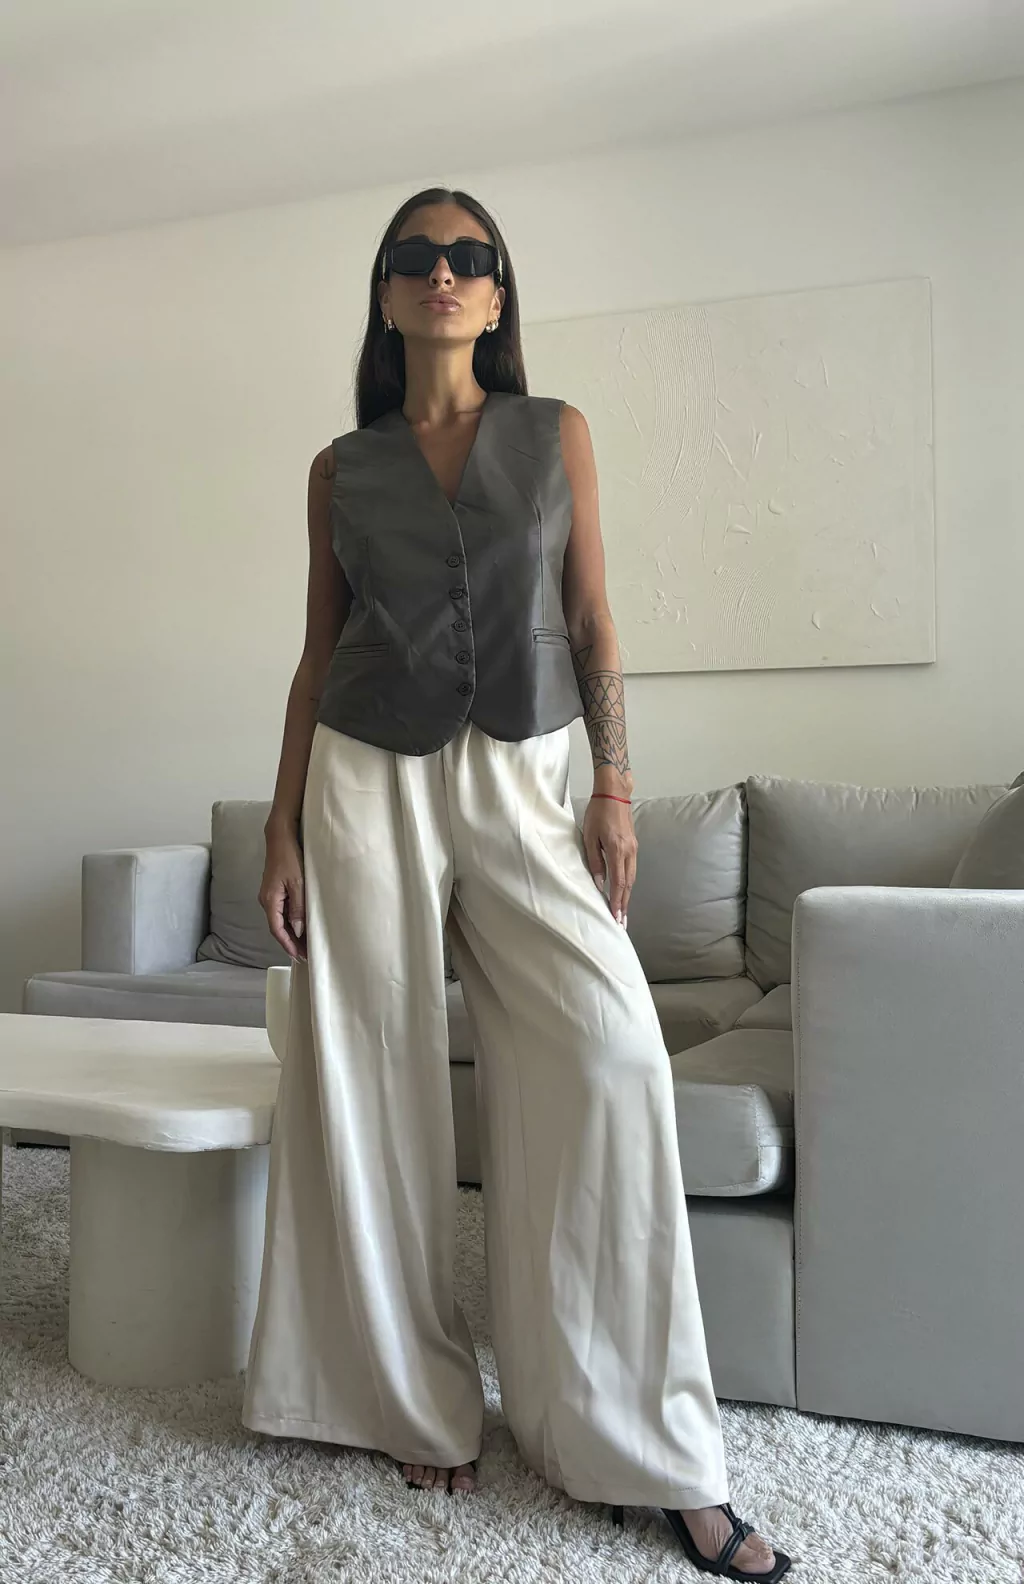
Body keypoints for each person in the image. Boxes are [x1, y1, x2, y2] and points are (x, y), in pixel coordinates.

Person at [242, 185, 790, 1582]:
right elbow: (316, 654)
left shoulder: (556, 433)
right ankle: (405, 1399)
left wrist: (616, 788)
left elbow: (595, 619)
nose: (445, 272)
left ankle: (642, 1443)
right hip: (364, 772)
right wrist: (282, 823)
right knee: (367, 1077)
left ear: (498, 295)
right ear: (386, 294)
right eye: (418, 256)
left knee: (614, 1059)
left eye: (470, 257)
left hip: (527, 777)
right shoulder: (339, 470)